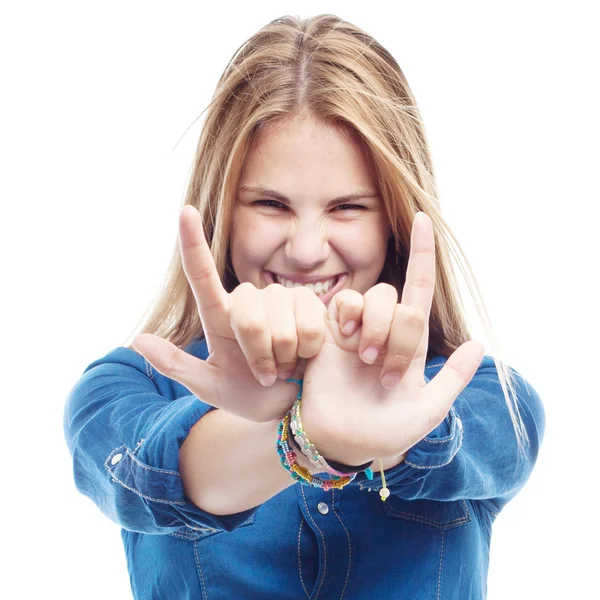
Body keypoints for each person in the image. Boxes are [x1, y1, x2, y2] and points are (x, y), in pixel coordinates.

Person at [63, 14, 545, 600]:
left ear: (393, 220)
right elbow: (155, 480)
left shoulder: (484, 397)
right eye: (271, 204)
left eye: (347, 207)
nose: (308, 249)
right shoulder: (124, 388)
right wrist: (308, 433)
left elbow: (491, 447)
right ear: (222, 213)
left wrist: (382, 428)